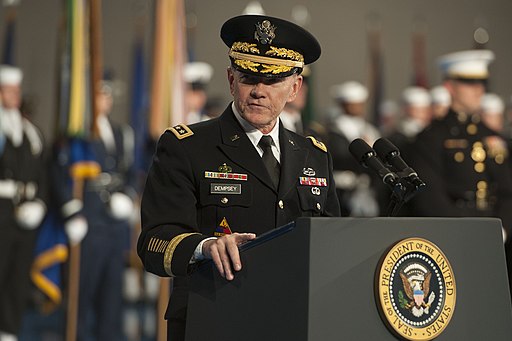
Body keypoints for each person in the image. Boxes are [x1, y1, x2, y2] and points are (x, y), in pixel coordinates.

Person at [137, 14, 340, 341]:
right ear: (231, 79)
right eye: (248, 78)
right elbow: (153, 243)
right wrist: (205, 247)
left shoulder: (314, 154)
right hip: (214, 317)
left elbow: (331, 243)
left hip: (294, 320)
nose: (259, 91)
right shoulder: (186, 146)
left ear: (295, 87)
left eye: (272, 81)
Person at [53, 80, 136, 340]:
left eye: (108, 95)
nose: (105, 100)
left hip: (113, 226)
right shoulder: (77, 133)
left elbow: (130, 171)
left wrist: (128, 196)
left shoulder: (121, 132)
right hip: (88, 222)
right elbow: (59, 173)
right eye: (100, 94)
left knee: (112, 296)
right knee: (81, 293)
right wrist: (71, 211)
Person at [408, 50, 512, 244]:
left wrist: (502, 229)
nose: (478, 89)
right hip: (452, 234)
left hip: (496, 233)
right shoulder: (432, 137)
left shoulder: (492, 136)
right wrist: (462, 232)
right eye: (469, 83)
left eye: (481, 83)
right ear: (450, 86)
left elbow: (507, 190)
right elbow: (430, 196)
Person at [0, 65, 47, 341]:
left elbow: (42, 174)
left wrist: (39, 201)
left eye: (16, 90)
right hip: (2, 211)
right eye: (8, 90)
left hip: (26, 214)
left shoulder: (31, 132)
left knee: (18, 277)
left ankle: (9, 331)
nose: (13, 96)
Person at [326, 81, 381, 216]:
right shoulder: (333, 131)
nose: (358, 107)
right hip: (342, 190)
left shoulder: (369, 129)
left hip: (366, 189)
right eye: (353, 103)